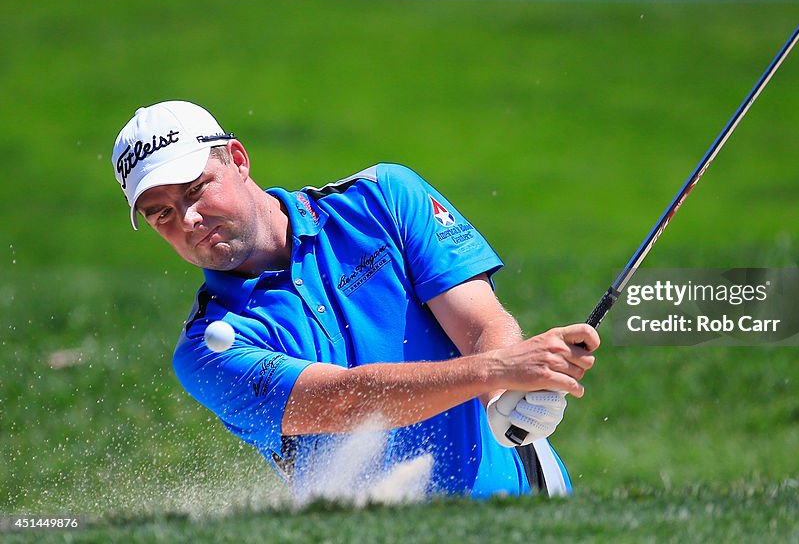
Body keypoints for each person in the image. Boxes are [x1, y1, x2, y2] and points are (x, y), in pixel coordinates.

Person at [111, 100, 599, 499]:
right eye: (162, 214)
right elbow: (349, 402)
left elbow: (480, 323)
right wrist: (500, 371)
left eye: (197, 190)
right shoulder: (206, 350)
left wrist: (508, 398)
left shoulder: (383, 198)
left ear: (238, 160)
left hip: (528, 508)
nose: (188, 220)